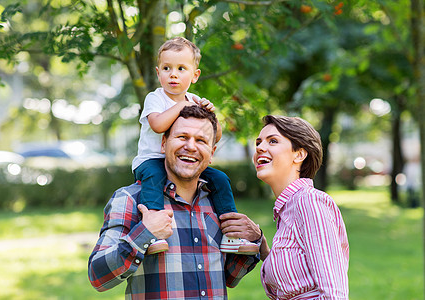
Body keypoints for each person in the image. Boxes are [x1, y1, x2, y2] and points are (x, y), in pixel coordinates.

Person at [88, 106, 263, 299]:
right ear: (164, 143)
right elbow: (98, 277)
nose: (190, 146)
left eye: (201, 140)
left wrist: (253, 239)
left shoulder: (217, 201)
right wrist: (144, 235)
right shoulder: (130, 199)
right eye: (182, 137)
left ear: (212, 152)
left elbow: (230, 277)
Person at [132, 36, 258, 255]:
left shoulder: (194, 99)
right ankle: (153, 232)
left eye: (181, 68)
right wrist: (183, 105)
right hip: (151, 160)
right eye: (166, 68)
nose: (173, 74)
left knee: (219, 178)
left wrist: (212, 114)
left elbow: (215, 136)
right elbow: (158, 124)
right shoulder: (156, 98)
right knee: (153, 179)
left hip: (184, 161)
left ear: (195, 75)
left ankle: (231, 234)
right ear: (158, 72)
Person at [253, 115, 349, 299]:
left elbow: (334, 294)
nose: (259, 147)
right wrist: (263, 249)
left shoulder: (309, 202)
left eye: (272, 141)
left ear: (299, 154)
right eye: (258, 142)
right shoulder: (288, 209)